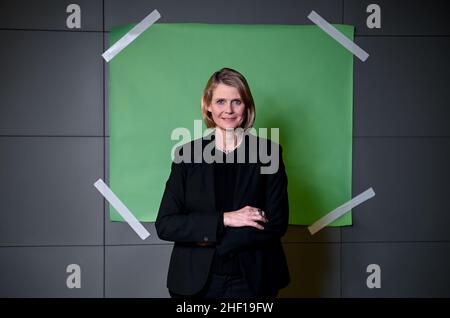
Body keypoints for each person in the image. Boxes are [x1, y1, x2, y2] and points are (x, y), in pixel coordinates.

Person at [155, 67, 290, 298]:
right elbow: (166, 224)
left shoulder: (269, 153)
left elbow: (276, 223)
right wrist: (226, 218)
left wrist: (212, 239)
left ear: (247, 106)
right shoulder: (187, 155)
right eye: (220, 101)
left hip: (252, 282)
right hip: (195, 282)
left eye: (236, 101)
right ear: (207, 105)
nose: (228, 110)